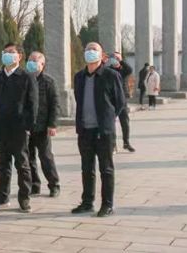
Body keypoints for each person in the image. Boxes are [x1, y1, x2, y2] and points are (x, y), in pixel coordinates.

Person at [0, 43, 38, 213]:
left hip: (18, 128)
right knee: (2, 164)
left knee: (22, 164)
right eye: (5, 52)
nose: (7, 55)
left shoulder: (26, 77)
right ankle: (2, 196)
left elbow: (33, 104)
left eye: (11, 52)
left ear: (19, 56)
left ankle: (24, 197)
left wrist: (29, 126)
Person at [71, 42, 125, 217]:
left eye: (94, 50)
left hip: (103, 131)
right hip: (85, 130)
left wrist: (107, 118)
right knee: (87, 168)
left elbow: (120, 102)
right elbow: (79, 99)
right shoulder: (79, 77)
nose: (90, 52)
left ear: (102, 56)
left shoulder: (111, 75)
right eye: (87, 49)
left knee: (106, 169)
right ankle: (87, 202)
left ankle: (107, 204)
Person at [25, 51, 61, 197]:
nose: (32, 63)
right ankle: (34, 184)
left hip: (42, 126)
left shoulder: (48, 81)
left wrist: (52, 124)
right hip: (26, 127)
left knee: (46, 156)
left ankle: (54, 184)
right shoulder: (24, 79)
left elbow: (55, 104)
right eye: (30, 60)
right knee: (28, 158)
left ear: (42, 64)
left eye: (35, 60)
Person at [104, 51, 135, 153]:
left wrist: (121, 60)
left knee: (125, 122)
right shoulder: (108, 70)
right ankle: (112, 145)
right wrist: (106, 61)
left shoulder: (123, 70)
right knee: (111, 123)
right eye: (114, 58)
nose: (115, 60)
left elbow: (130, 69)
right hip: (111, 99)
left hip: (122, 100)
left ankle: (126, 143)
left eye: (117, 58)